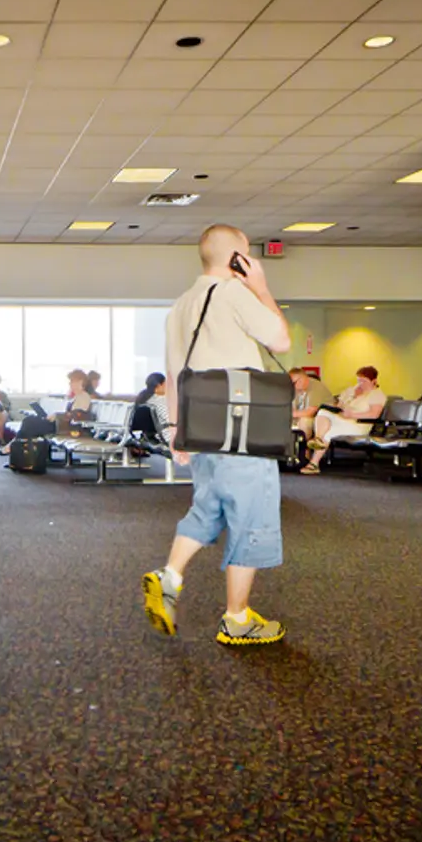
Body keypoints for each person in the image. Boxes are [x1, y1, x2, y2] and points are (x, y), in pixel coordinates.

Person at [143, 224, 292, 647]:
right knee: (251, 517)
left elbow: (175, 375)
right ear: (237, 260)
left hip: (202, 426)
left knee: (209, 507)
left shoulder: (180, 305)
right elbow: (281, 341)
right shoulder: (233, 294)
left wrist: (176, 431)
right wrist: (261, 287)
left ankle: (169, 576)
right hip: (243, 426)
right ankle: (237, 619)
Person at [302, 366, 387, 474]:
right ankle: (317, 439)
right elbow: (339, 406)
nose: (361, 384)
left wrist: (352, 414)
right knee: (323, 412)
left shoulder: (377, 394)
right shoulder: (352, 391)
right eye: (359, 380)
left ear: (374, 381)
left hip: (359, 425)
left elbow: (373, 415)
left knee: (328, 432)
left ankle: (313, 463)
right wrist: (350, 398)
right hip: (342, 420)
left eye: (364, 381)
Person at [0, 369, 93, 455]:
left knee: (29, 423)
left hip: (68, 428)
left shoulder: (84, 397)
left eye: (72, 381)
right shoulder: (76, 397)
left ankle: (15, 446)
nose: (70, 384)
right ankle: (16, 447)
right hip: (61, 425)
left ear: (80, 382)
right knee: (29, 422)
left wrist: (57, 415)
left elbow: (77, 415)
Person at [289, 367, 332, 439]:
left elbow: (310, 413)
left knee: (304, 422)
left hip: (324, 418)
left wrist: (290, 413)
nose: (292, 386)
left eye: (293, 383)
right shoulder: (296, 390)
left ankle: (304, 447)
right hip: (307, 417)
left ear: (301, 379)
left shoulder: (316, 387)